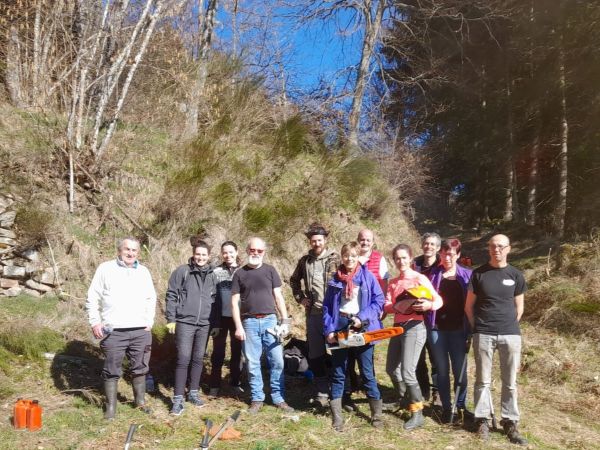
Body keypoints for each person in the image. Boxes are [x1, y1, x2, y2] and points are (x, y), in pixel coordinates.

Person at [465, 234, 528, 445]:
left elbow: (519, 308)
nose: (496, 249)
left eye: (500, 246)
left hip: (510, 334)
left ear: (508, 249)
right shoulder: (479, 274)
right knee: (482, 379)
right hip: (484, 333)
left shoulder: (516, 275)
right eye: (492, 246)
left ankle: (510, 421)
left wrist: (508, 325)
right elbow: (468, 307)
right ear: (488, 248)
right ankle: (482, 419)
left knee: (510, 382)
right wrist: (478, 328)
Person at [86, 237, 157, 420]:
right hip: (114, 331)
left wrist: (149, 320)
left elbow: (151, 297)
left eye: (134, 250)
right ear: (119, 250)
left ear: (138, 253)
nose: (130, 253)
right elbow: (93, 297)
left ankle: (140, 402)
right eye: (127, 249)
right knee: (111, 369)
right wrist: (95, 322)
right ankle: (111, 408)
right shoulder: (106, 269)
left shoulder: (143, 271)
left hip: (140, 330)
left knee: (140, 367)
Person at [323, 241, 385, 431]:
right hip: (340, 325)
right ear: (342, 257)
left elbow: (379, 300)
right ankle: (337, 416)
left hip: (362, 327)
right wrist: (329, 330)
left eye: (353, 255)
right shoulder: (335, 279)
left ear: (358, 256)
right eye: (346, 255)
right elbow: (327, 308)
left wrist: (361, 318)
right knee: (339, 372)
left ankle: (377, 415)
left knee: (367, 373)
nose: (349, 259)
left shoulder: (367, 277)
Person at [231, 237, 294, 414]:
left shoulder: (270, 270)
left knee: (277, 361)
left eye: (259, 251)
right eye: (253, 250)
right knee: (252, 363)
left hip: (270, 321)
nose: (256, 253)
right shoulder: (239, 273)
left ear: (264, 252)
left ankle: (278, 397)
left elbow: (279, 296)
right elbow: (234, 302)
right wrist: (238, 326)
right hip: (249, 322)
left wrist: (285, 320)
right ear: (247, 250)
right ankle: (257, 398)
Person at [384, 244, 442, 430]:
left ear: (410, 259)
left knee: (408, 371)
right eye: (397, 258)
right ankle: (404, 399)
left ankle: (417, 413)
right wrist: (397, 306)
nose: (401, 261)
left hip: (415, 327)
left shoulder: (419, 278)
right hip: (397, 327)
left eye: (404, 258)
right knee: (392, 369)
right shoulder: (393, 282)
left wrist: (427, 306)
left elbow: (438, 300)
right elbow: (386, 305)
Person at [165, 239, 220, 416]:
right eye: (198, 254)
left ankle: (194, 393)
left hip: (204, 324)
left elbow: (216, 301)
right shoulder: (183, 271)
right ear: (193, 254)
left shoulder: (213, 275)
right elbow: (172, 294)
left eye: (204, 255)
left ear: (209, 256)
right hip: (184, 322)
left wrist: (215, 323)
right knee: (183, 358)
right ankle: (178, 399)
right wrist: (171, 318)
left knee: (198, 358)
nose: (200, 257)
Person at [290, 223, 340, 407]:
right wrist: (300, 298)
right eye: (313, 240)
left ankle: (339, 391)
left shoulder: (337, 259)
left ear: (325, 239)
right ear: (310, 241)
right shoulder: (305, 261)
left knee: (338, 352)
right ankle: (322, 392)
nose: (316, 243)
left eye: (319, 240)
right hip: (313, 315)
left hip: (334, 315)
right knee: (316, 354)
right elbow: (294, 280)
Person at [428, 238, 472, 423]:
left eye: (451, 254)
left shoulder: (468, 276)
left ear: (458, 255)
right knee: (443, 370)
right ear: (440, 254)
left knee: (459, 369)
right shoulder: (432, 275)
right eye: (444, 253)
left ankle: (460, 405)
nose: (447, 258)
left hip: (458, 330)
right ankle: (447, 408)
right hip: (437, 329)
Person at [208, 241, 244, 397]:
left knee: (237, 353)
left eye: (231, 252)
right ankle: (214, 386)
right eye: (225, 252)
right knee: (218, 353)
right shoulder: (215, 272)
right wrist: (214, 321)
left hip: (239, 319)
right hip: (220, 319)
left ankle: (235, 383)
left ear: (236, 252)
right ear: (221, 254)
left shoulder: (244, 271)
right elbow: (212, 297)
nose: (228, 255)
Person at [414, 232, 441, 403]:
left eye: (432, 244)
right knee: (417, 357)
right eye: (426, 243)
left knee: (436, 357)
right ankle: (423, 389)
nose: (428, 247)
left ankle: (437, 392)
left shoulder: (442, 266)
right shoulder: (415, 264)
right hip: (416, 317)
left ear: (438, 248)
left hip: (436, 318)